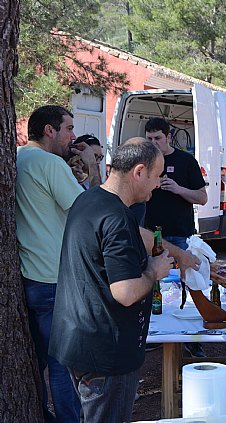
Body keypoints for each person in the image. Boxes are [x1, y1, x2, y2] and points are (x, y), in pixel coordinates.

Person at [49, 141, 176, 423]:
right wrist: (154, 270)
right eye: (157, 175)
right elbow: (126, 292)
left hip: (79, 339)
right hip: (105, 352)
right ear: (139, 171)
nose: (158, 184)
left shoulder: (89, 198)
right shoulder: (116, 216)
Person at [16, 105, 101, 422]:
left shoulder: (18, 157)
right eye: (68, 128)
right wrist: (92, 166)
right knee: (64, 368)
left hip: (32, 276)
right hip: (54, 279)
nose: (74, 136)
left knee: (37, 363)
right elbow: (91, 211)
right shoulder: (49, 163)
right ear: (49, 130)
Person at [144, 118, 207, 357]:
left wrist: (177, 188)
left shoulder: (185, 161)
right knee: (153, 283)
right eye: (149, 139)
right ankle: (155, 333)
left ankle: (193, 339)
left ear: (169, 137)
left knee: (188, 285)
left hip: (180, 235)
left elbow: (202, 198)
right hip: (151, 234)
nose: (153, 143)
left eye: (158, 138)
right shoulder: (144, 162)